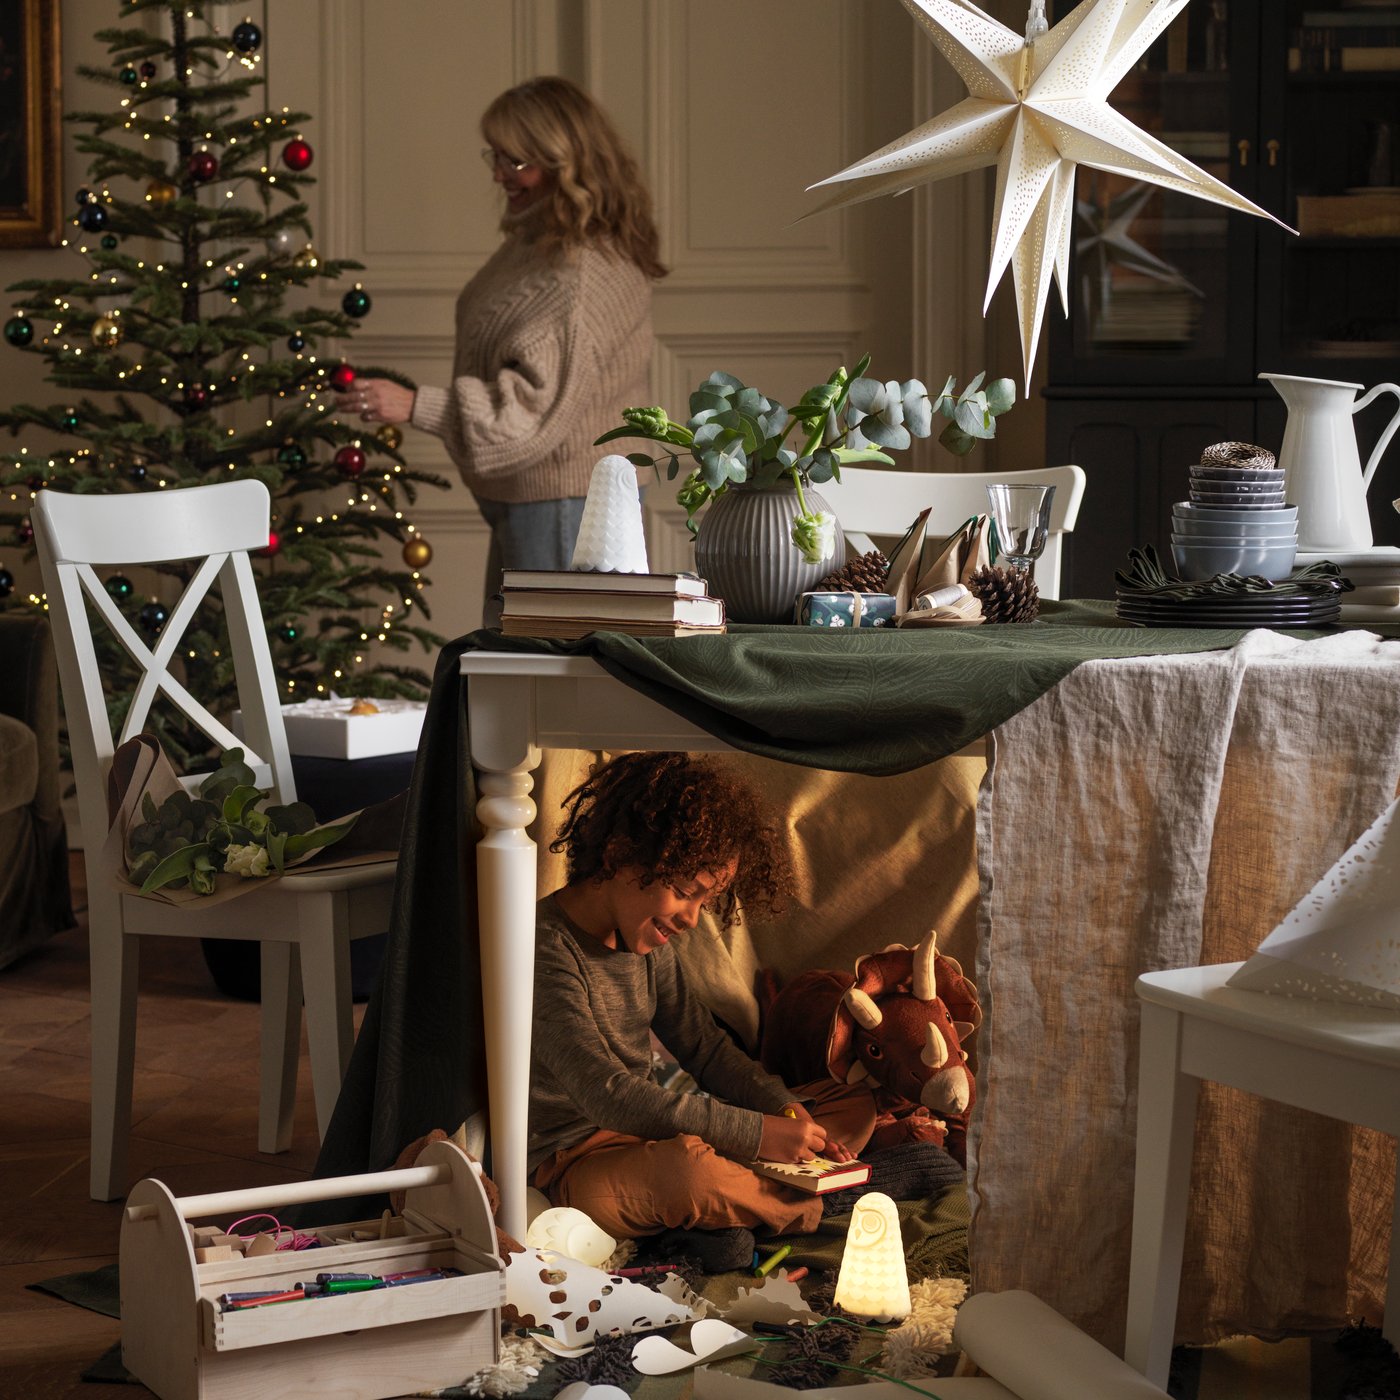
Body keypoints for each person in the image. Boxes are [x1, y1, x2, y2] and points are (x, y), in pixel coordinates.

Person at [528, 753, 961, 1273]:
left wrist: (781, 1112)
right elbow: (609, 1097)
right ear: (621, 854)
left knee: (848, 1102)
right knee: (689, 1176)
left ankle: (722, 1230)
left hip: (660, 1134)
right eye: (686, 892)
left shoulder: (646, 943)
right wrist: (754, 1134)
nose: (690, 919)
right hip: (578, 1163)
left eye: (704, 902)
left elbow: (705, 1049)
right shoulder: (543, 948)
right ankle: (840, 1201)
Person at [335, 76, 664, 626]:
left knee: (545, 684)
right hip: (540, 501)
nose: (498, 174)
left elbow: (530, 417)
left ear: (565, 163)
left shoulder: (581, 273)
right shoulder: (538, 243)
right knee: (514, 677)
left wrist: (416, 406)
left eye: (517, 162)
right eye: (497, 156)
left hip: (566, 505)